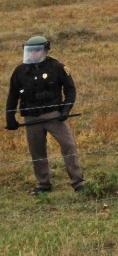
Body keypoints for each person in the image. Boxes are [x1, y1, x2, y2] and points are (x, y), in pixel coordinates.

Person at [5, 36, 85, 195]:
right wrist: (10, 117)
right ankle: (43, 184)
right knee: (37, 151)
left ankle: (78, 183)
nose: (33, 53)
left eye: (37, 50)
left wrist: (65, 110)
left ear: (45, 50)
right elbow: (13, 95)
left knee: (68, 146)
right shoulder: (20, 71)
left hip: (53, 116)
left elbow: (70, 90)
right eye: (30, 50)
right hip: (31, 118)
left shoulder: (57, 67)